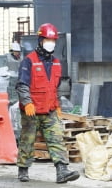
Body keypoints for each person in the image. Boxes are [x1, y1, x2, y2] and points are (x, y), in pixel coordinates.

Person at [15, 23, 79, 183]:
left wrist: (57, 105)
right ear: (41, 40)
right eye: (48, 40)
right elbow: (22, 85)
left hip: (49, 110)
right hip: (32, 110)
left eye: (53, 40)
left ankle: (62, 171)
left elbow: (53, 88)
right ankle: (23, 169)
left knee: (56, 138)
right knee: (27, 141)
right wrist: (27, 102)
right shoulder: (29, 61)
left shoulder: (57, 63)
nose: (51, 43)